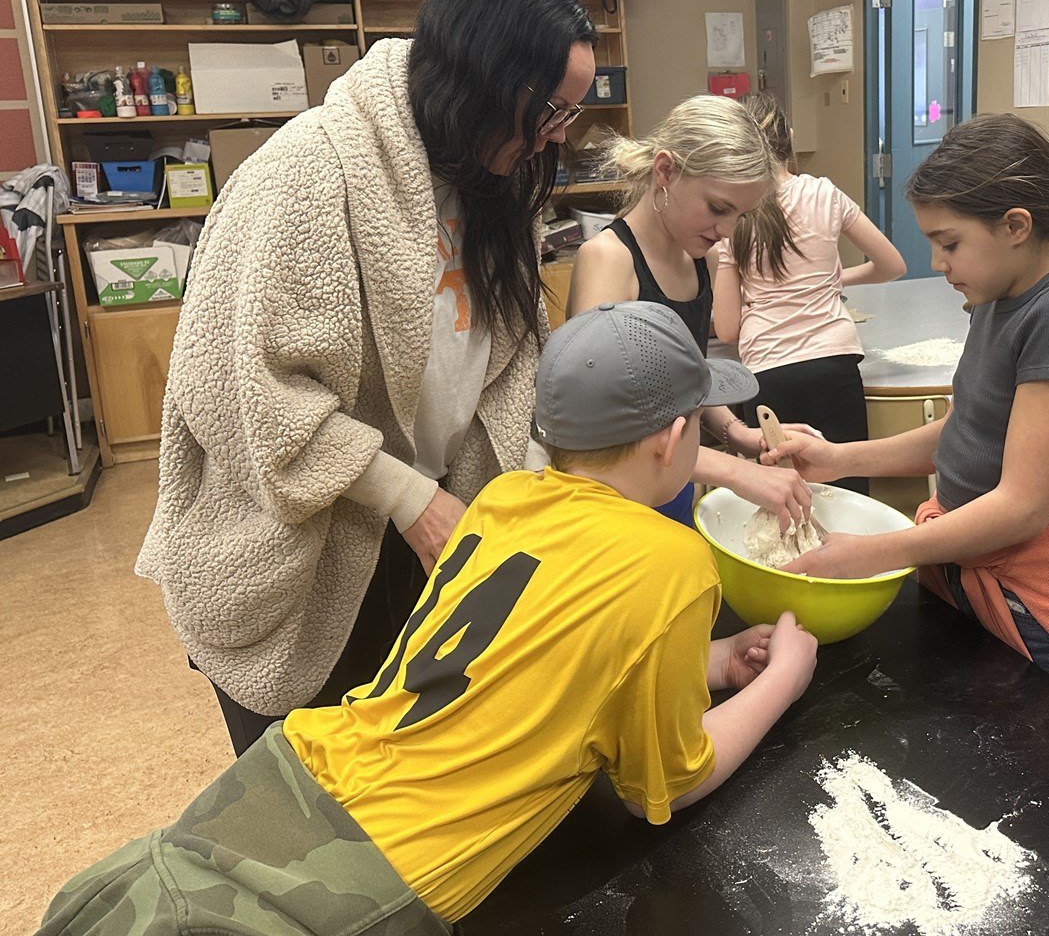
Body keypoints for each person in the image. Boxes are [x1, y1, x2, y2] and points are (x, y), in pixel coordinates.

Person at [37, 301, 820, 935]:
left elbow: (539, 654)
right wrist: (783, 679)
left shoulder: (507, 498)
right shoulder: (671, 563)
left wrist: (709, 664)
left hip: (297, 769)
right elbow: (666, 788)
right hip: (380, 872)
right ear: (673, 437)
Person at [135, 0, 598, 755]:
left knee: (399, 777)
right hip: (300, 546)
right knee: (301, 802)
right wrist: (404, 494)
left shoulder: (495, 184)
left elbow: (512, 360)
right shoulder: (309, 171)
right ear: (485, 78)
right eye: (551, 110)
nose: (559, 135)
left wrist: (527, 482)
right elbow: (243, 395)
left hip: (418, 533)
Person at [762, 115, 1049, 721]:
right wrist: (839, 459)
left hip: (1041, 602)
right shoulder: (995, 301)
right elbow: (966, 431)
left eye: (949, 243)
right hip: (969, 568)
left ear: (1016, 226)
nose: (939, 263)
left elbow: (1022, 507)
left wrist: (875, 552)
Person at [568, 94, 813, 529]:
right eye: (718, 208)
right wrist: (735, 471)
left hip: (677, 487)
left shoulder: (703, 261)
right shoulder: (608, 260)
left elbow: (687, 379)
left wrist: (740, 436)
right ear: (665, 171)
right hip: (617, 510)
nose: (725, 231)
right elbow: (599, 426)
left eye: (740, 216)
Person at [712, 92, 906, 495]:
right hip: (834, 363)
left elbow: (726, 329)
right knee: (846, 490)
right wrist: (837, 281)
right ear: (791, 139)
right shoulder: (823, 193)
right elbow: (892, 265)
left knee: (780, 497)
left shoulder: (739, 211)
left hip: (767, 372)